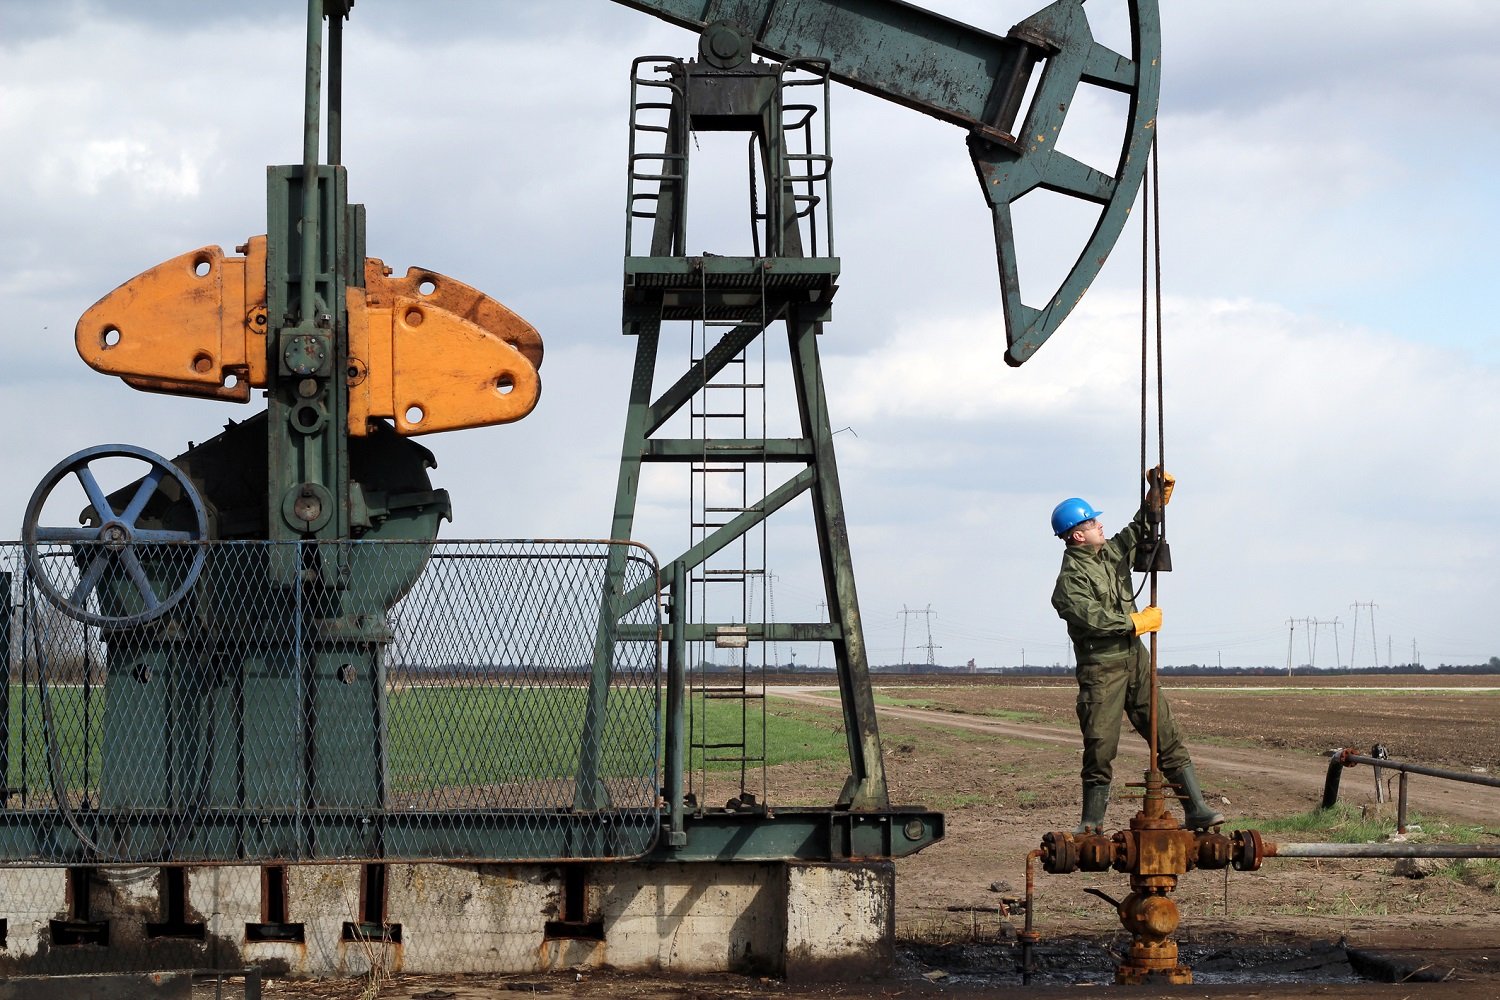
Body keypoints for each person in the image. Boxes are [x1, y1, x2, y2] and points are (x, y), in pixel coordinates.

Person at [1049, 471, 1224, 834]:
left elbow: (1136, 531)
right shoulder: (1070, 581)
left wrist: (1155, 497)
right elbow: (1091, 618)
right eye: (1093, 522)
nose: (1100, 525)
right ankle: (1091, 823)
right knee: (1100, 747)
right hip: (1102, 670)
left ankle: (1197, 809)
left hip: (1136, 661)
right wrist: (1136, 622)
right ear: (1077, 534)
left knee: (1165, 733)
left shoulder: (1109, 554)